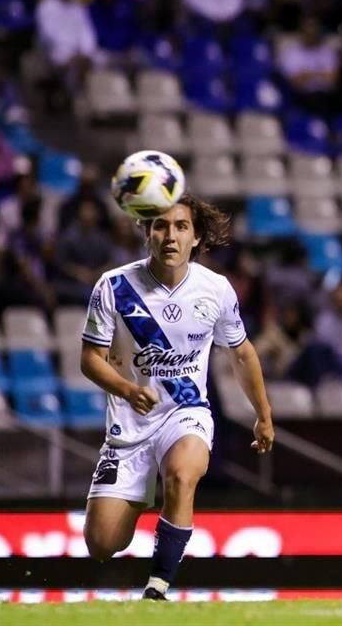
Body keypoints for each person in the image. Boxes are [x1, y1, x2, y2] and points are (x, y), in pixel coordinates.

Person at [79, 194, 275, 600]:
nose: (171, 236)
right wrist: (127, 389)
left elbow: (240, 351)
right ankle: (145, 496)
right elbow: (89, 360)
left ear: (196, 236)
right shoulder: (114, 286)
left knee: (183, 474)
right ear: (146, 232)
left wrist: (263, 414)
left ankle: (158, 587)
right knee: (102, 544)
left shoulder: (215, 289)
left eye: (181, 226)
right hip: (129, 425)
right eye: (161, 226)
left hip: (185, 414)